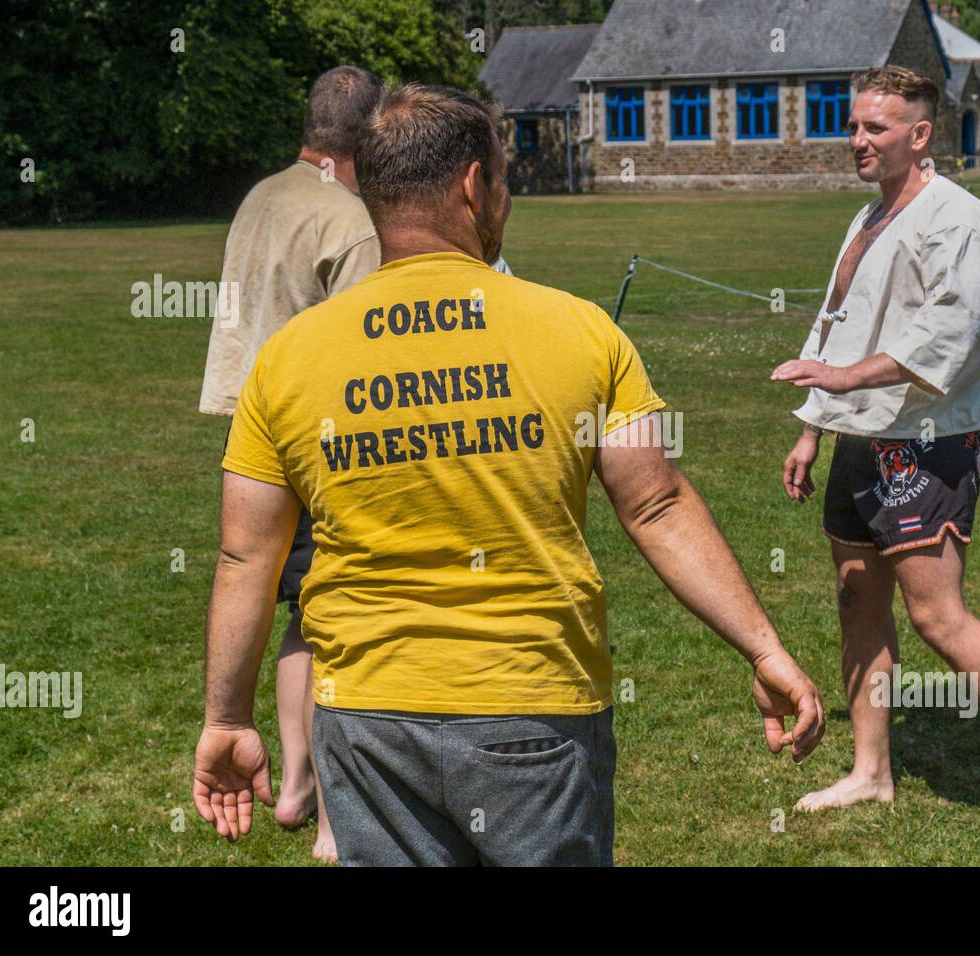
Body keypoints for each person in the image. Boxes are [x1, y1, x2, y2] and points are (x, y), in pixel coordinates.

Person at [192, 84, 824, 866]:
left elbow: (247, 555)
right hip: (533, 708)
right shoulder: (580, 331)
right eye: (503, 180)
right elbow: (656, 505)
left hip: (366, 715)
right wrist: (764, 648)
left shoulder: (287, 359)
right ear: (471, 186)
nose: (507, 199)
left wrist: (227, 717)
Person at [771, 66, 980, 845]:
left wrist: (839, 379)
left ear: (920, 134)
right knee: (855, 599)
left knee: (939, 615)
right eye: (854, 125)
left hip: (928, 443)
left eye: (876, 128)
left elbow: (947, 339)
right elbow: (837, 320)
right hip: (861, 435)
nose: (858, 140)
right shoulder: (868, 217)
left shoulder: (962, 222)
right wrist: (814, 423)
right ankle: (871, 774)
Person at [197, 65, 386, 862]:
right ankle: (336, 815)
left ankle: (301, 786)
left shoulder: (260, 195)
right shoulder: (350, 218)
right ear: (368, 136)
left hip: (252, 434)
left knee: (298, 613)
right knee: (341, 617)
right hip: (322, 443)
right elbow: (370, 349)